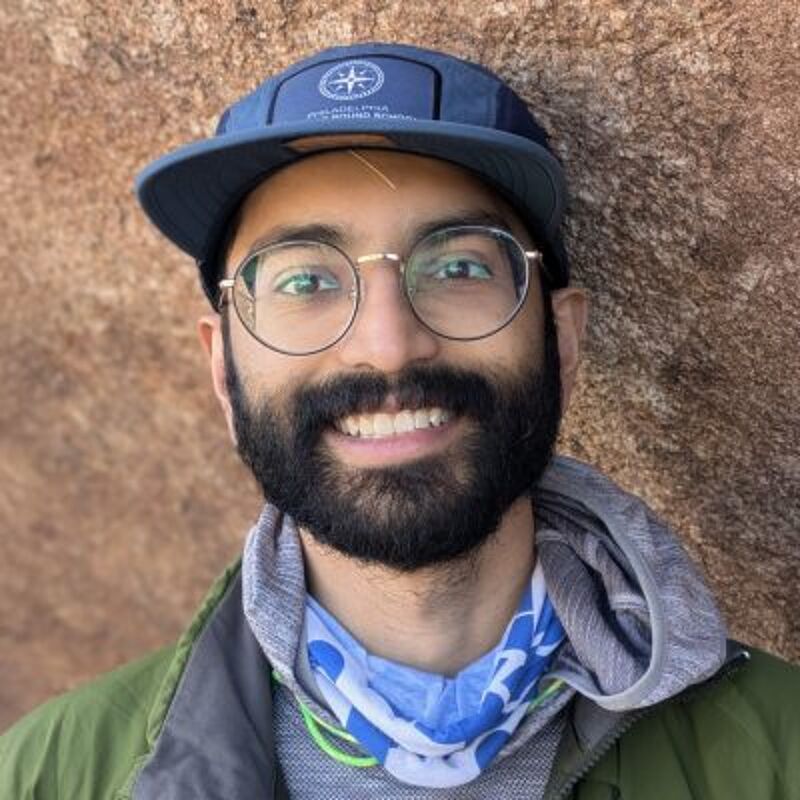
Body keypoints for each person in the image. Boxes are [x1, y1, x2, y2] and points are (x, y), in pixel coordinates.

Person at [1, 42, 798, 800]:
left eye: (457, 266)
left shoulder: (780, 752)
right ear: (223, 369)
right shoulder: (50, 777)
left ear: (561, 341)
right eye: (305, 282)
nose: (387, 347)